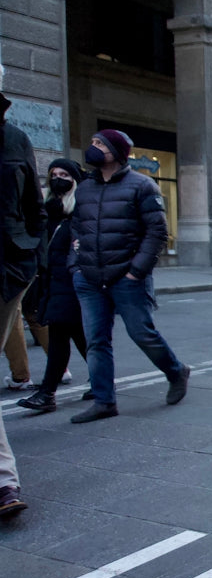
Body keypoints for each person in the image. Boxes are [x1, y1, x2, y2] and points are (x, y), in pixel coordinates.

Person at [70, 129, 190, 423]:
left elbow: (157, 231)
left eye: (99, 143)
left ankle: (176, 371)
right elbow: (77, 226)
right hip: (89, 277)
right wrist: (75, 264)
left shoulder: (142, 185)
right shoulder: (85, 187)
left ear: (116, 152)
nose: (92, 147)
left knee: (141, 333)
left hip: (126, 277)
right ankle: (104, 401)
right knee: (96, 341)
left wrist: (137, 271)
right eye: (93, 141)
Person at [0, 75, 46, 513]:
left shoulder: (15, 138)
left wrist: (29, 259)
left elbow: (33, 207)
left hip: (6, 270)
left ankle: (2, 483)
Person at [18, 159, 88, 415]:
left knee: (60, 333)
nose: (58, 178)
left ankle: (47, 393)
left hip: (72, 279)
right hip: (51, 279)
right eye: (54, 174)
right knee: (78, 334)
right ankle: (102, 380)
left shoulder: (80, 208)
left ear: (75, 179)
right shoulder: (47, 209)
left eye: (64, 174)